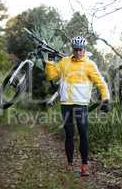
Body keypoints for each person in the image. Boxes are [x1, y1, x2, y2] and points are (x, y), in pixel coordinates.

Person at [44, 36, 110, 176]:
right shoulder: (64, 62)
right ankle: (69, 163)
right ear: (72, 49)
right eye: (76, 49)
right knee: (69, 134)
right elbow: (51, 76)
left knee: (83, 134)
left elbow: (101, 83)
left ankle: (84, 165)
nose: (78, 52)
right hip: (66, 104)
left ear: (84, 49)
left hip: (81, 105)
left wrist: (105, 99)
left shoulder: (89, 64)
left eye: (80, 49)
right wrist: (49, 61)